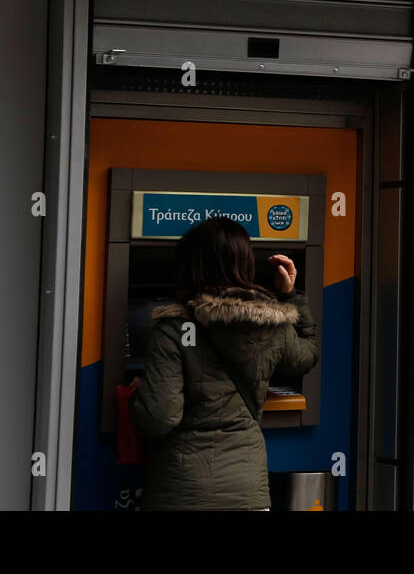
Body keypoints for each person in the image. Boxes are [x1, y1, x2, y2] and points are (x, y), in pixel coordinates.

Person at [129, 216, 319, 510]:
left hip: (182, 492)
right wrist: (290, 297)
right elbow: (306, 355)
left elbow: (158, 417)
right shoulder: (272, 324)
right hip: (246, 493)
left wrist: (138, 394)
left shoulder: (174, 327)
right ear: (245, 263)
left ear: (191, 265)